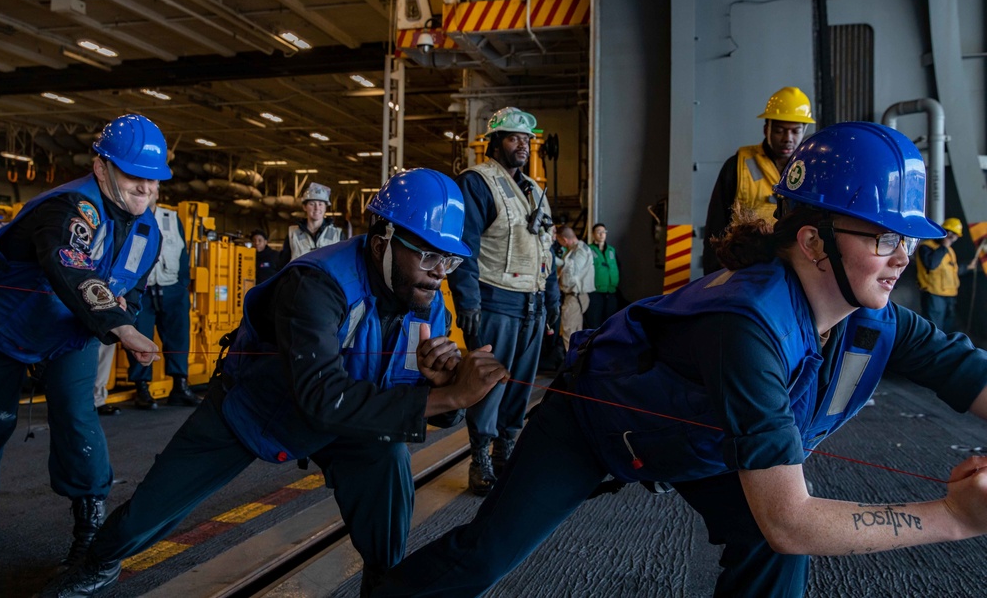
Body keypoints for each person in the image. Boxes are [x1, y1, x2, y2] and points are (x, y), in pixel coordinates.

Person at [370, 122, 987, 598]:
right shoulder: (747, 327)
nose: (902, 258)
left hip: (703, 440)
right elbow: (791, 520)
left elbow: (974, 376)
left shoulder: (876, 323)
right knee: (486, 554)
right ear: (812, 242)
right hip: (591, 430)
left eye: (907, 239)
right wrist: (954, 518)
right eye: (884, 238)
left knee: (771, 549)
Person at [42, 168, 509, 598]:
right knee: (150, 510)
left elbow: (413, 403)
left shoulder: (428, 302)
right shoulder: (316, 285)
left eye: (447, 259)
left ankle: (383, 580)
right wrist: (449, 396)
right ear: (382, 239)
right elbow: (321, 397)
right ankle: (98, 562)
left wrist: (440, 388)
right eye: (428, 254)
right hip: (256, 408)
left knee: (387, 461)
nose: (438, 272)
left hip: (351, 414)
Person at [0, 114, 166, 565]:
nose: (146, 189)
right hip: (2, 329)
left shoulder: (149, 231)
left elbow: (133, 289)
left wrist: (134, 331)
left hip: (70, 332)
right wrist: (120, 327)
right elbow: (72, 264)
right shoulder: (67, 207)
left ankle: (90, 519)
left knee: (76, 416)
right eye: (134, 176)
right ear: (102, 167)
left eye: (155, 179)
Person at [448, 106, 558, 496]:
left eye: (527, 140)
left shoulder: (535, 190)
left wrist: (553, 298)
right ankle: (479, 458)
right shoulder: (477, 183)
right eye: (514, 138)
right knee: (488, 384)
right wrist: (468, 302)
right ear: (494, 143)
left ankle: (504, 451)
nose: (523, 146)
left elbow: (548, 249)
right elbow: (465, 247)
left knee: (520, 386)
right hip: (496, 301)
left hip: (532, 303)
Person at [703, 86, 815, 275]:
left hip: (792, 270)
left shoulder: (811, 168)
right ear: (766, 129)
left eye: (795, 131)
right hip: (742, 268)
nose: (788, 138)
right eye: (780, 130)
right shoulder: (738, 165)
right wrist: (714, 274)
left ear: (804, 131)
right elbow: (717, 223)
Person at [125, 189, 196, 410]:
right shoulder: (129, 217)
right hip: (142, 291)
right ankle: (142, 388)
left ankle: (180, 386)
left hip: (172, 288)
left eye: (152, 188)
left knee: (178, 338)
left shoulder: (172, 218)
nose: (147, 191)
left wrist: (182, 284)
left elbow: (183, 253)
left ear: (157, 193)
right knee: (139, 337)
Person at [916, 217, 977, 333]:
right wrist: (944, 246)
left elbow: (952, 271)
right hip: (934, 295)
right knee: (934, 329)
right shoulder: (926, 247)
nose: (953, 239)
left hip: (950, 296)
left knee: (947, 329)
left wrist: (968, 267)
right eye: (952, 235)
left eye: (956, 236)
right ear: (945, 232)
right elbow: (931, 264)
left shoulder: (949, 251)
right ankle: (931, 351)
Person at [278, 182, 343, 266]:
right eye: (312, 204)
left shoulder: (337, 234)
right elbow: (282, 264)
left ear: (325, 207)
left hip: (326, 279)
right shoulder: (293, 234)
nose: (317, 208)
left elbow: (343, 264)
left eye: (320, 204)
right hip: (299, 279)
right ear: (304, 207)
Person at [555, 225, 595, 351]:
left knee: (569, 332)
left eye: (558, 240)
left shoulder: (580, 251)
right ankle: (575, 363)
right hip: (576, 297)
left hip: (575, 297)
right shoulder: (575, 250)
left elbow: (571, 274)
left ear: (564, 239)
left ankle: (571, 363)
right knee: (575, 332)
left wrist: (553, 260)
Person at [584, 222, 620, 328]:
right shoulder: (588, 250)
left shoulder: (611, 250)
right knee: (595, 320)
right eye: (599, 232)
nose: (602, 234)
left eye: (604, 232)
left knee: (610, 319)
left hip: (611, 291)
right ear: (593, 234)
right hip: (595, 292)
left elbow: (618, 267)